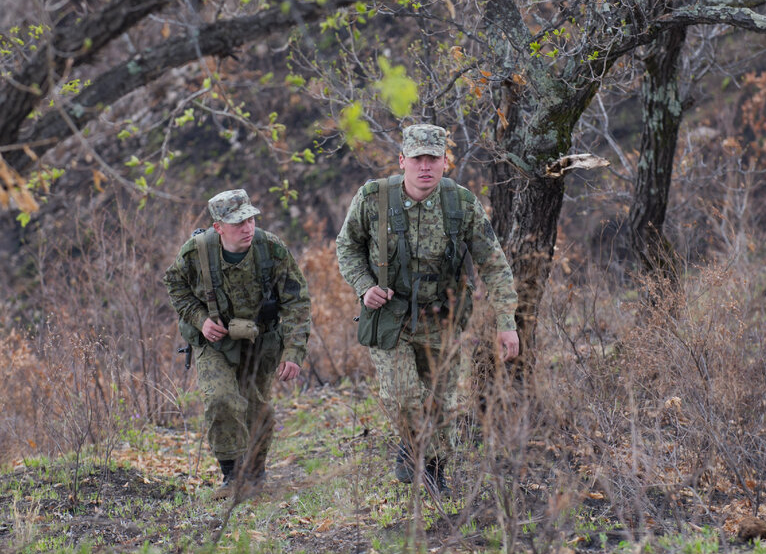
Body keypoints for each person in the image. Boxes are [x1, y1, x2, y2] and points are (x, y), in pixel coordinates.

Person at [336, 124, 519, 495]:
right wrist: (364, 286)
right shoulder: (373, 199)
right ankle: (419, 456)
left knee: (441, 403)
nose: (425, 166)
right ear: (402, 161)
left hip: (443, 318)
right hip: (390, 317)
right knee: (403, 396)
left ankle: (430, 468)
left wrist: (506, 321)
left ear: (444, 162)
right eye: (417, 158)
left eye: (432, 158)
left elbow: (494, 263)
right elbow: (347, 246)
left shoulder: (461, 204)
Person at [164, 187, 311, 492]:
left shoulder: (271, 249)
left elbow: (297, 302)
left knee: (256, 408)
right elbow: (175, 285)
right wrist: (200, 320)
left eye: (250, 220)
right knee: (221, 399)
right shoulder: (196, 252)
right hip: (214, 340)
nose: (247, 228)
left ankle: (256, 475)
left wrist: (294, 351)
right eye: (237, 224)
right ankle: (231, 475)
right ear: (218, 228)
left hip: (261, 339)